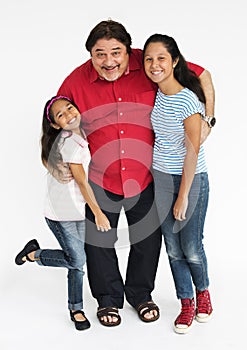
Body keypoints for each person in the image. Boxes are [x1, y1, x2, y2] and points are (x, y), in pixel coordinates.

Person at [56, 19, 215, 326]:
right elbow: (55, 113)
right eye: (99, 54)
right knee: (99, 243)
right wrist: (57, 158)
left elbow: (203, 74)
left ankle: (141, 295)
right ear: (90, 54)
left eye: (116, 52)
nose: (109, 61)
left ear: (129, 51)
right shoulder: (76, 80)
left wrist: (208, 119)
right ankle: (107, 300)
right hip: (102, 177)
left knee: (148, 241)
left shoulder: (150, 62)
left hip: (146, 176)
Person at [15, 96, 111, 331]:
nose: (68, 114)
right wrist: (98, 212)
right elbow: (81, 182)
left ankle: (75, 307)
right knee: (77, 260)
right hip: (60, 215)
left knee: (76, 262)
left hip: (76, 211)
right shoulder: (70, 143)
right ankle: (35, 256)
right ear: (56, 125)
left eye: (70, 108)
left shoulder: (76, 136)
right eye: (60, 115)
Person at [143, 34, 213, 334]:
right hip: (160, 178)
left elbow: (192, 151)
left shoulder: (188, 100)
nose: (154, 64)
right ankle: (186, 302)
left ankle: (203, 294)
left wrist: (182, 195)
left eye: (161, 58)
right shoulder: (156, 93)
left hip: (190, 179)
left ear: (174, 61)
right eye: (148, 59)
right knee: (172, 247)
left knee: (191, 246)